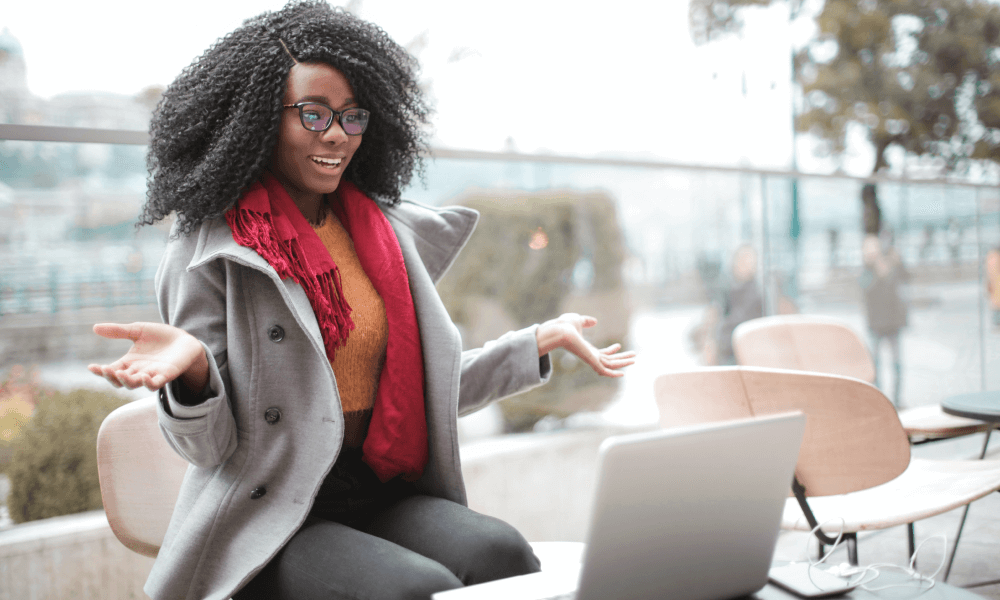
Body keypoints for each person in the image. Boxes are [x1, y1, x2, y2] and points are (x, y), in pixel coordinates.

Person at [86, 3, 635, 599]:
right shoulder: (209, 251)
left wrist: (535, 342)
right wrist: (193, 374)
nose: (336, 136)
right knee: (414, 591)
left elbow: (417, 397)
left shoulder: (380, 234)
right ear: (257, 119)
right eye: (313, 114)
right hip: (278, 511)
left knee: (501, 554)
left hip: (375, 487)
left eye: (351, 117)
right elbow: (211, 448)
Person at [860, 232, 908, 406]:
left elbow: (904, 278)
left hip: (892, 322)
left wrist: (896, 262)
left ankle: (897, 398)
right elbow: (868, 291)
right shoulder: (866, 271)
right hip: (876, 324)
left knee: (897, 363)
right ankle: (880, 400)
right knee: (876, 365)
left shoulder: (890, 264)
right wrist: (879, 271)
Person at [713, 244, 763, 365]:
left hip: (749, 350)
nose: (744, 264)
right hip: (727, 350)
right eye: (741, 259)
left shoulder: (760, 293)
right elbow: (718, 318)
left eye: (748, 260)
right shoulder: (726, 289)